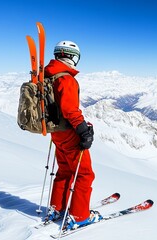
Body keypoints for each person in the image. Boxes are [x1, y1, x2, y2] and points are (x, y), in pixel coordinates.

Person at [43, 40, 100, 230]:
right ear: (72, 57)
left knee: (65, 170)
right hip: (68, 133)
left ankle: (56, 208)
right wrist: (83, 130)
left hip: (56, 133)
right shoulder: (65, 78)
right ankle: (80, 216)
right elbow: (69, 110)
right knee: (84, 174)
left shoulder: (47, 75)